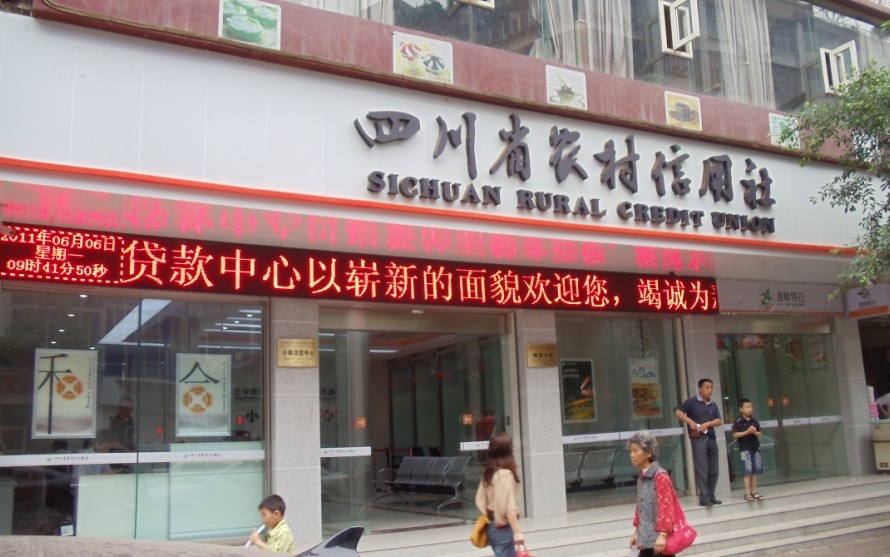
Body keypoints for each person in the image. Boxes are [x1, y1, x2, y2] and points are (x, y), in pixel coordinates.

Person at [475, 432, 525, 557]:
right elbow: (509, 506)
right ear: (506, 450)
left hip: (490, 525)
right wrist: (517, 531)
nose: (514, 448)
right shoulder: (505, 474)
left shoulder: (489, 472)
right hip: (502, 527)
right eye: (512, 445)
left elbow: (480, 499)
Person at [675, 378, 723, 507]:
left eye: (711, 388)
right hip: (698, 439)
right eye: (706, 387)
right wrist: (690, 421)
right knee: (702, 468)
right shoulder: (691, 402)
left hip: (711, 437)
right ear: (700, 389)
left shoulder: (713, 405)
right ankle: (704, 498)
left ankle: (711, 495)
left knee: (714, 469)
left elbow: (719, 420)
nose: (709, 390)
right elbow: (678, 412)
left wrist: (708, 424)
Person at [628, 431, 677, 557]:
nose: (632, 455)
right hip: (646, 539)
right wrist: (637, 532)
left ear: (649, 452)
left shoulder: (660, 476)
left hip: (659, 542)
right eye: (630, 451)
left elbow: (667, 508)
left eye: (635, 451)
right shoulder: (642, 476)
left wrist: (663, 534)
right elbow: (640, 507)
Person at [732, 398, 765, 502]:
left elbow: (759, 433)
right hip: (745, 448)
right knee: (747, 471)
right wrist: (747, 432)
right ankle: (747, 492)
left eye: (751, 407)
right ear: (741, 409)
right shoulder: (738, 421)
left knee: (755, 471)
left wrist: (754, 432)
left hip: (755, 447)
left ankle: (754, 491)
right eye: (747, 407)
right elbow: (735, 434)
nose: (750, 409)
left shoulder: (754, 420)